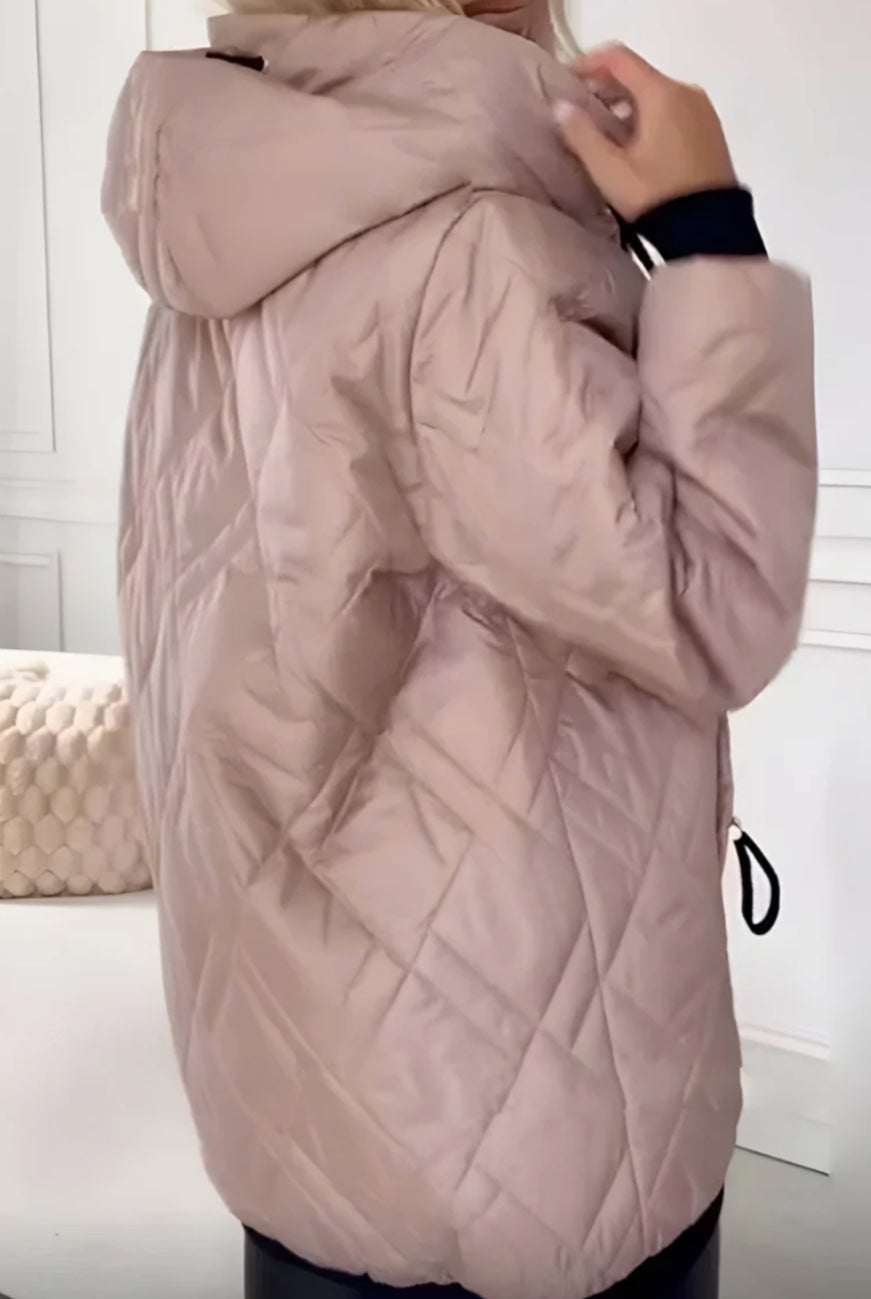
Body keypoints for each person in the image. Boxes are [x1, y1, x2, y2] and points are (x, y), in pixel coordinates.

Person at [103, 2, 816, 1297]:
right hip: (524, 1120)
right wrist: (708, 226)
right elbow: (712, 608)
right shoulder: (471, 249)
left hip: (303, 1088)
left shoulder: (223, 218)